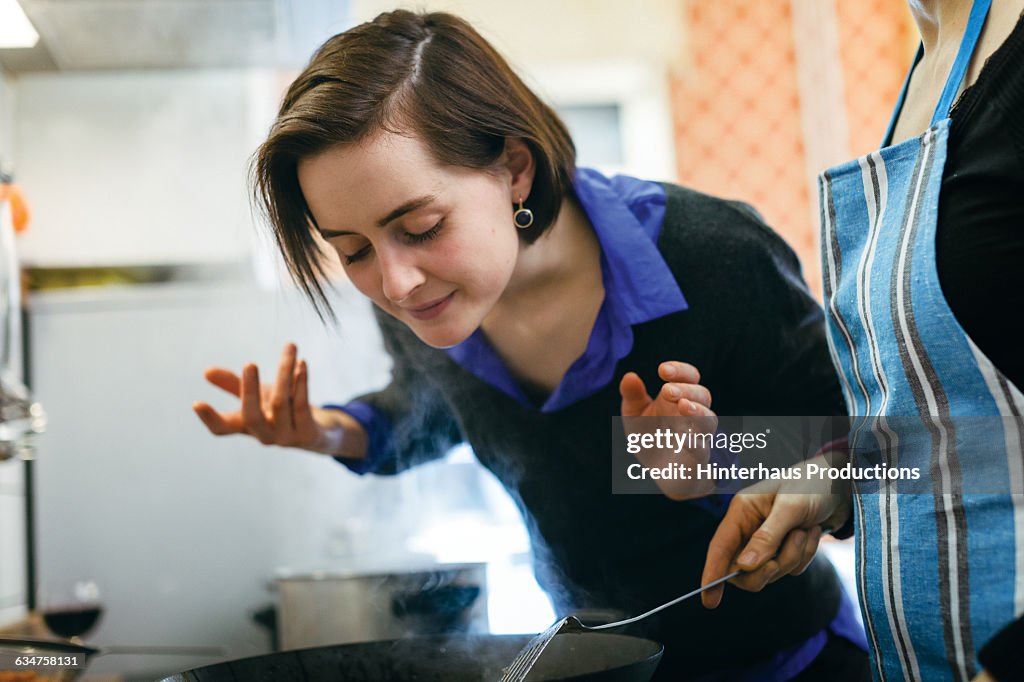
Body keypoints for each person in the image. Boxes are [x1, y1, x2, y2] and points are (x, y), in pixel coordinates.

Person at [192, 10, 869, 680]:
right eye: (353, 250)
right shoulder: (423, 299)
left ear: (514, 169)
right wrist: (329, 433)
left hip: (792, 666)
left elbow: (883, 454)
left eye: (422, 226)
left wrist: (716, 457)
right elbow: (429, 409)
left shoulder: (713, 255)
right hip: (600, 672)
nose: (394, 282)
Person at [701, 1, 1024, 681]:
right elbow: (984, 424)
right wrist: (842, 476)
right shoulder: (928, 70)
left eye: (427, 226)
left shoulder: (696, 243)